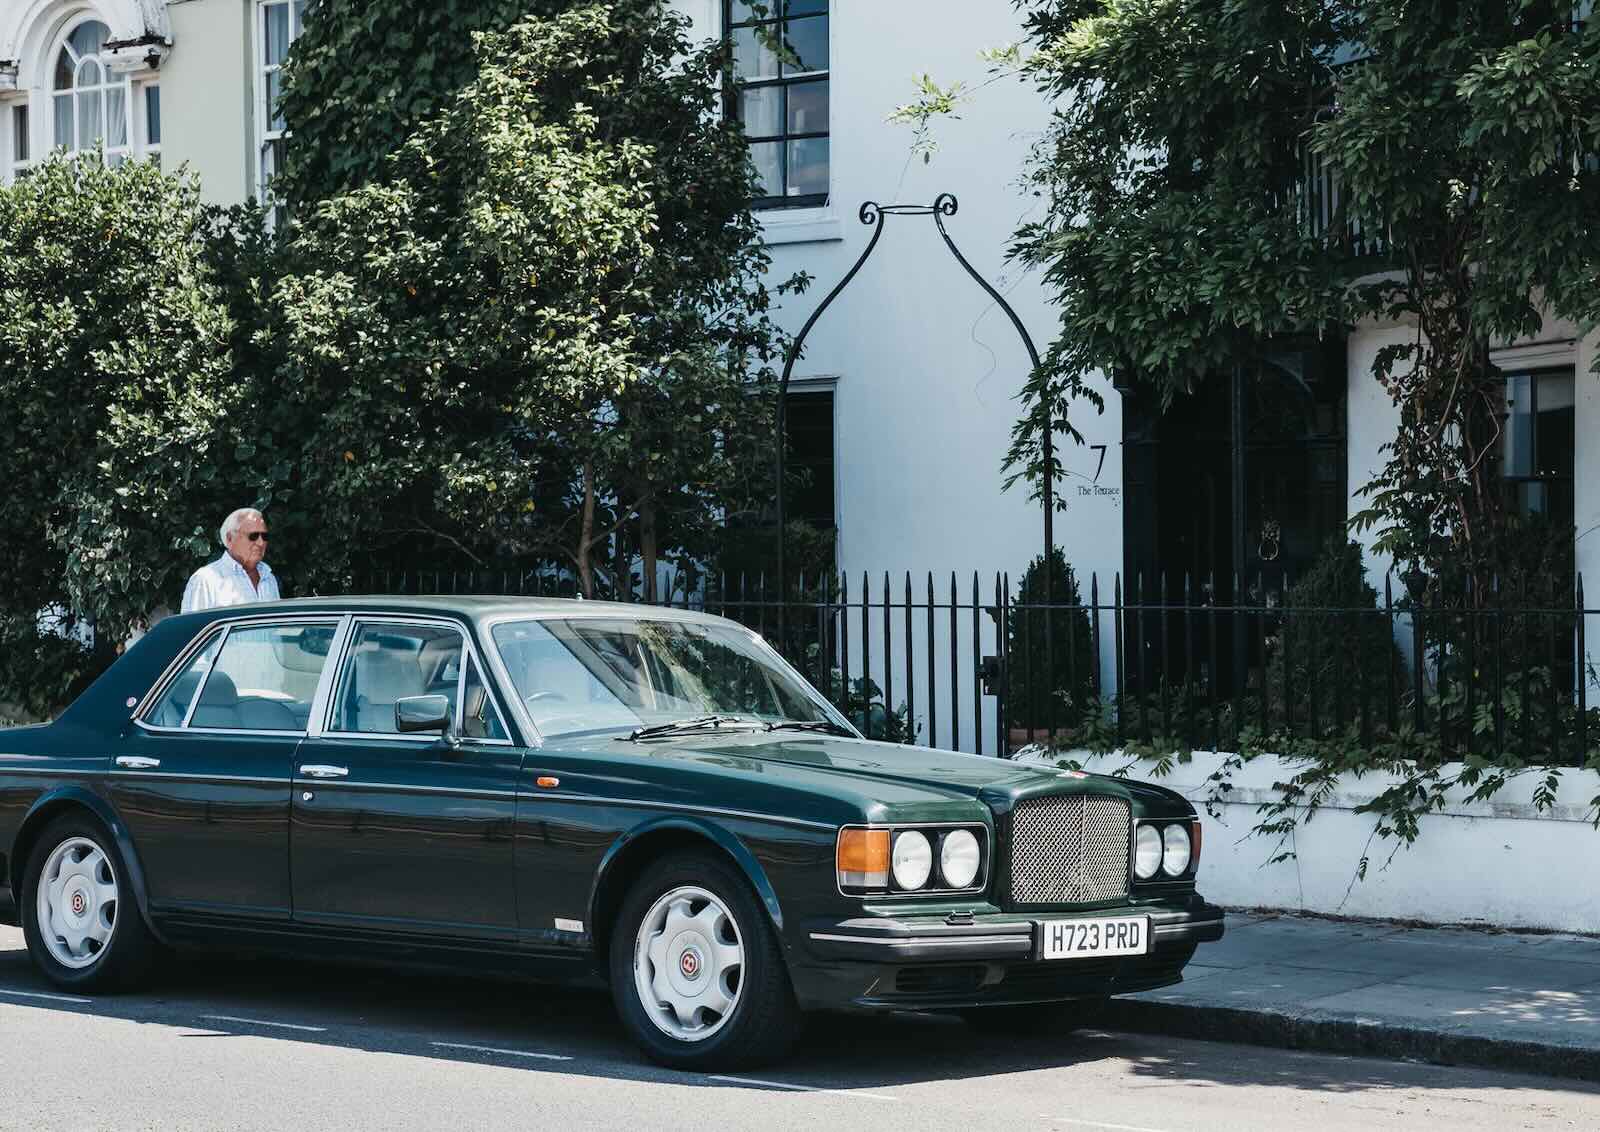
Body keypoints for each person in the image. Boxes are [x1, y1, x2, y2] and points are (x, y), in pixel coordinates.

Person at [181, 508, 281, 613]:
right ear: (230, 539)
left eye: (265, 536)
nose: (261, 543)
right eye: (253, 536)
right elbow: (192, 628)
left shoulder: (268, 577)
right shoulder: (206, 580)